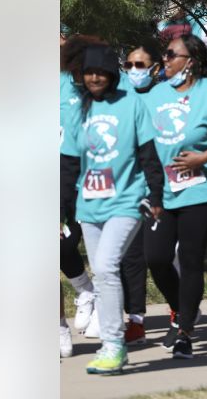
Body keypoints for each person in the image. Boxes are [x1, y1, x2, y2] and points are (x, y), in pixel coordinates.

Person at [62, 45, 165, 375]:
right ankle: (111, 346)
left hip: (127, 200)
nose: (94, 77)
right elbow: (69, 163)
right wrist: (59, 208)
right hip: (89, 206)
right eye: (89, 72)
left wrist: (157, 196)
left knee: (106, 268)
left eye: (101, 72)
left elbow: (149, 152)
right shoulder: (78, 108)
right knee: (102, 274)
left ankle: (114, 345)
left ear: (112, 75)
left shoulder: (131, 103)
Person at [143, 34, 207, 359]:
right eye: (165, 54)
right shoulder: (155, 94)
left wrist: (202, 158)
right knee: (156, 257)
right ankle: (181, 310)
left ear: (191, 61)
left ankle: (185, 331)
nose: (166, 60)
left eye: (172, 55)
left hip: (203, 188)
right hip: (161, 189)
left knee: (190, 258)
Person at [117, 39, 166, 346]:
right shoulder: (118, 96)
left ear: (156, 69)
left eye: (140, 65)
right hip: (129, 186)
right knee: (130, 257)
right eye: (129, 65)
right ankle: (135, 319)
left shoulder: (164, 96)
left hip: (165, 186)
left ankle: (179, 307)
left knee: (163, 257)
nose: (133, 70)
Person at [60, 36, 101, 354]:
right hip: (54, 175)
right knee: (59, 243)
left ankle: (100, 298)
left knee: (85, 240)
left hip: (90, 175)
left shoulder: (92, 82)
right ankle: (84, 289)